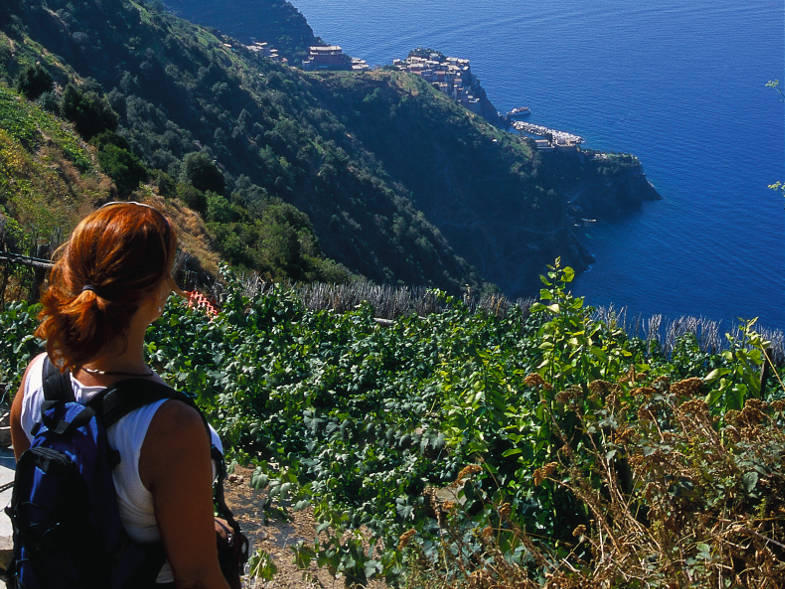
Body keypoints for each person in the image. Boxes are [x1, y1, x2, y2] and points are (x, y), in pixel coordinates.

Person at [9, 201, 230, 589]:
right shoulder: (170, 425)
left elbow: (43, 494)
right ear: (159, 292)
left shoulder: (38, 374)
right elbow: (197, 579)